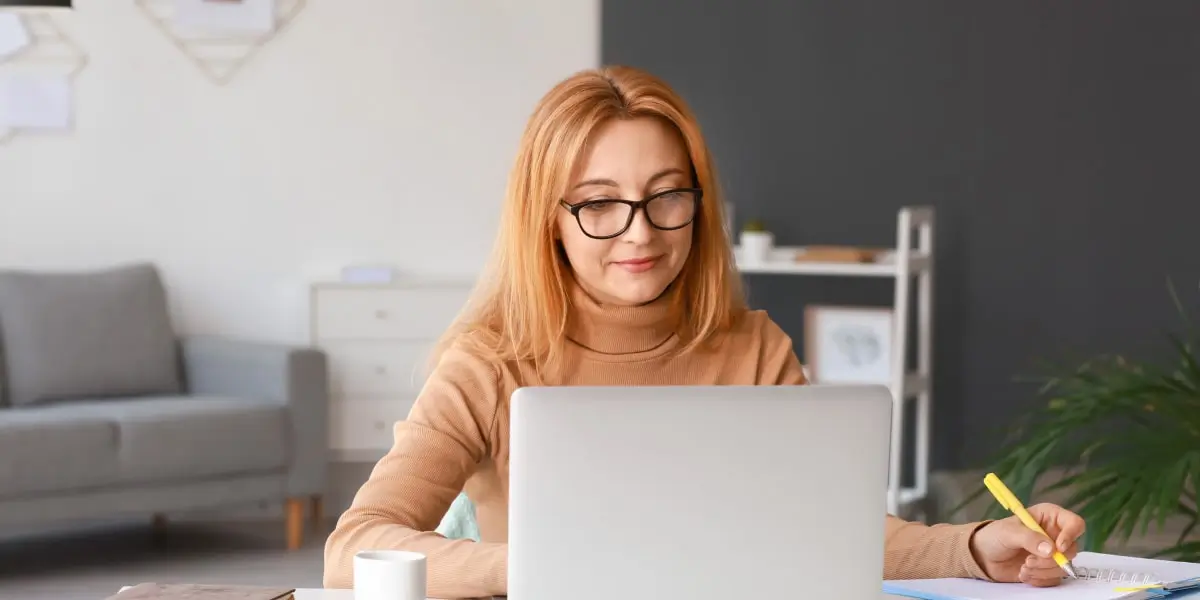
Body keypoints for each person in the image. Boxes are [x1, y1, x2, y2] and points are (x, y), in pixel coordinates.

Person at [323, 65, 1085, 598]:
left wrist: (980, 547)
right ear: (547, 222)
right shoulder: (490, 363)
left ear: (697, 200)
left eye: (665, 196)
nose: (639, 233)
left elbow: (833, 534)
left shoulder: (754, 348)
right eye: (598, 203)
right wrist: (527, 568)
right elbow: (353, 551)